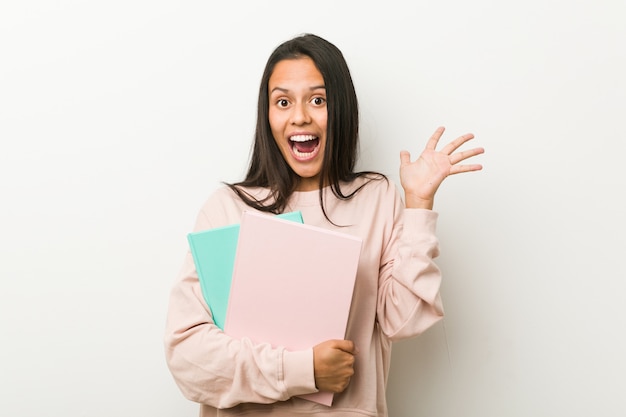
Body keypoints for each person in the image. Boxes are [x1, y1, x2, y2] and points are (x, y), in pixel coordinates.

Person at [164, 33, 484, 417]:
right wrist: (305, 370)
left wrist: (418, 205)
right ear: (267, 115)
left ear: (342, 110)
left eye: (318, 100)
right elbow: (188, 360)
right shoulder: (228, 209)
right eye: (283, 102)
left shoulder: (376, 197)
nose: (300, 116)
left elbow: (407, 320)